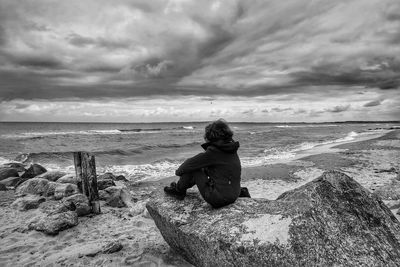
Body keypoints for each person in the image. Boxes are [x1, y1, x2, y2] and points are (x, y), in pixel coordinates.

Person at [164, 119, 248, 208]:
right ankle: (180, 187)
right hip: (234, 194)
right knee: (205, 167)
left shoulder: (213, 152)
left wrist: (179, 173)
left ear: (210, 136)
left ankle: (179, 191)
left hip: (218, 199)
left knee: (194, 168)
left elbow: (186, 166)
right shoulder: (230, 148)